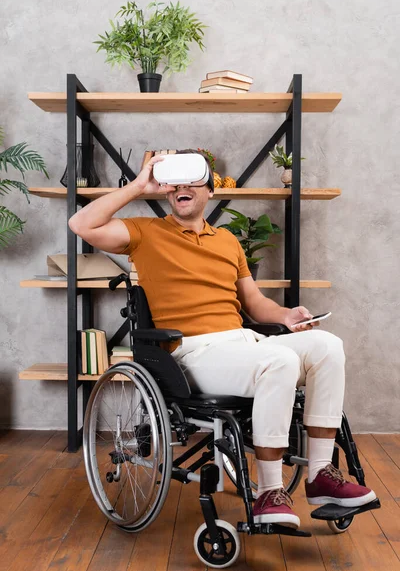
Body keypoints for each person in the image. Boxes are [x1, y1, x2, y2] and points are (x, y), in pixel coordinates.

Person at [69, 149, 376, 528]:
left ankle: (320, 474)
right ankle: (269, 491)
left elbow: (254, 303)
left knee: (328, 346)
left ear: (210, 191)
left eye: (192, 179)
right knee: (278, 362)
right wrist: (139, 186)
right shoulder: (143, 232)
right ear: (167, 191)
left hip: (243, 343)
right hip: (193, 353)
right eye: (174, 182)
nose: (182, 186)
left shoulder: (228, 241)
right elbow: (81, 223)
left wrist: (286, 316)